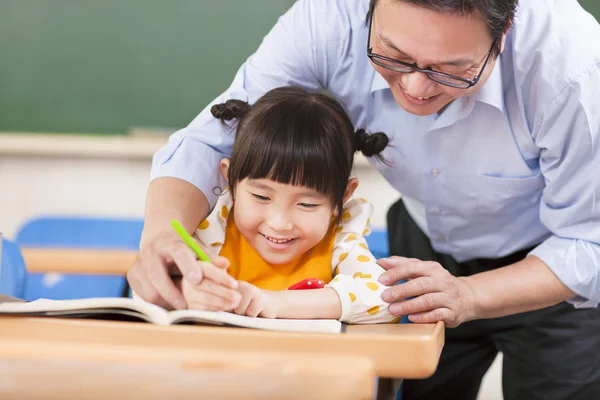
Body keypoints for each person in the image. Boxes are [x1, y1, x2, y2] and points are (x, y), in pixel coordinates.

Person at [128, 0, 600, 398]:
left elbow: (589, 240)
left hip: (548, 273)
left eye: (451, 71)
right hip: (422, 249)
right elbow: (215, 138)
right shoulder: (329, 19)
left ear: (503, 35)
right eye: (393, 56)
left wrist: (471, 294)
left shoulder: (571, 68)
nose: (415, 90)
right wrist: (160, 236)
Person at [177, 86, 396, 323]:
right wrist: (186, 291)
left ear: (341, 198)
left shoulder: (339, 241)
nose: (279, 223)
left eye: (306, 204)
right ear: (231, 179)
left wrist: (274, 302)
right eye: (261, 197)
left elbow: (384, 298)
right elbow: (150, 284)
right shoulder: (212, 229)